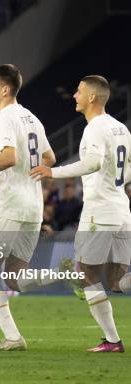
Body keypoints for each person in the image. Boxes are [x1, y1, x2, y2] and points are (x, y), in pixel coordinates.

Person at [30, 75, 131, 353]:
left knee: (86, 273)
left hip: (101, 211)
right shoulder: (121, 128)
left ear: (92, 98)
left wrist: (54, 172)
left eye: (79, 91)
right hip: (121, 209)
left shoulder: (96, 128)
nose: (74, 95)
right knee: (115, 281)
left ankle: (112, 341)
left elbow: (93, 163)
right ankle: (111, 341)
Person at [0, 64, 60, 352]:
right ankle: (62, 272)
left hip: (7, 204)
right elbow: (50, 157)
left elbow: (9, 157)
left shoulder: (4, 119)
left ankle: (13, 337)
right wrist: (29, 172)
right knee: (14, 277)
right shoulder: (32, 118)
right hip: (32, 206)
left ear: (5, 89)